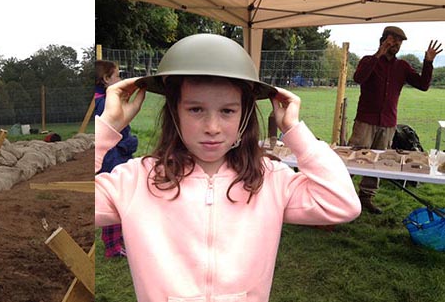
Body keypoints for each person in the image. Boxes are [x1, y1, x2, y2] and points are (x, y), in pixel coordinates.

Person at [95, 34, 361, 302]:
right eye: (196, 109)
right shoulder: (136, 180)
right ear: (175, 113)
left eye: (227, 111)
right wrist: (106, 127)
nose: (212, 127)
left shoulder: (269, 180)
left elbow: (343, 203)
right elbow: (64, 206)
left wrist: (294, 130)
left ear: (244, 114)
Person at [349, 26, 442, 214]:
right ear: (383, 40)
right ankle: (340, 192)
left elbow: (423, 85)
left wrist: (428, 62)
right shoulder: (369, 61)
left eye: (399, 42)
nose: (396, 45)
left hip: (388, 122)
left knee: (378, 162)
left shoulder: (402, 66)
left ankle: (366, 197)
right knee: (352, 159)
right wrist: (378, 54)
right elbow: (359, 78)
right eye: (393, 41)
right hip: (366, 120)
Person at [95, 60, 138, 258]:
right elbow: (117, 133)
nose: (120, 79)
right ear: (106, 79)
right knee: (115, 202)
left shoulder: (98, 100)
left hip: (111, 156)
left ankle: (117, 242)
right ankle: (113, 247)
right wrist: (129, 144)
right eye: (117, 75)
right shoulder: (104, 103)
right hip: (112, 159)